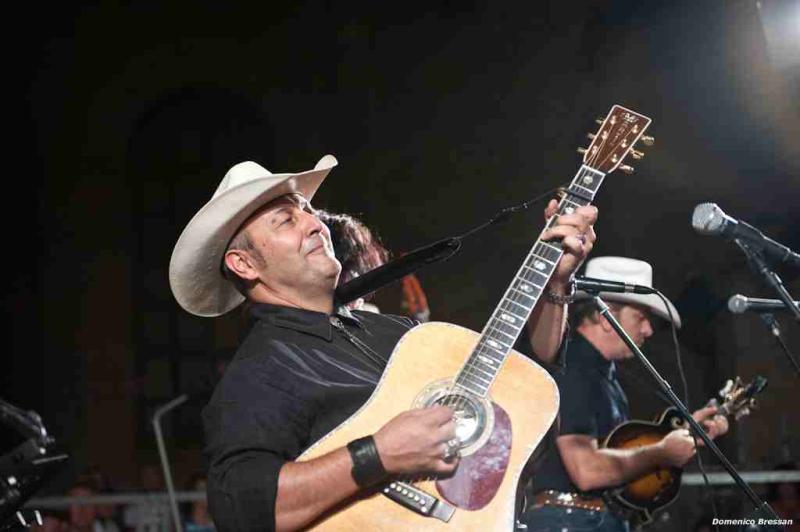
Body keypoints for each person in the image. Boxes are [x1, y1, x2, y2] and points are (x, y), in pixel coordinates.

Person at [168, 154, 598, 531]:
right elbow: (241, 509)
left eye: (309, 211)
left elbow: (521, 382)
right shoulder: (261, 370)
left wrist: (554, 283)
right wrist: (378, 455)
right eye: (286, 220)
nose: (315, 224)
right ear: (243, 264)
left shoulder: (400, 333)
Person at [520, 256, 730, 532]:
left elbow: (613, 458)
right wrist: (661, 453)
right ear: (605, 317)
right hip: (571, 522)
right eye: (640, 317)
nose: (648, 330)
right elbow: (586, 471)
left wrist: (683, 434)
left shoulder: (604, 376)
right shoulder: (574, 369)